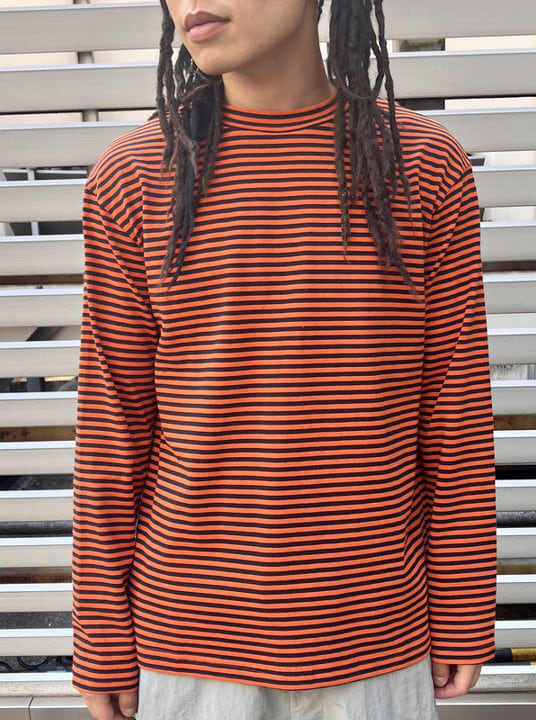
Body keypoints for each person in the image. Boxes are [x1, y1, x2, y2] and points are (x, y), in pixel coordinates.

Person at [71, 1, 497, 719]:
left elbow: (454, 413)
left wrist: (463, 604)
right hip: (191, 645)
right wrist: (101, 633)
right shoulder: (137, 174)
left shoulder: (422, 166)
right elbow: (113, 424)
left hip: (375, 636)